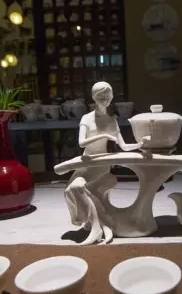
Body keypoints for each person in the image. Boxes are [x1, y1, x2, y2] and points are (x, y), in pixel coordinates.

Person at [64, 81, 150, 242]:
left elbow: (124, 146)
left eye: (107, 96)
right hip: (86, 163)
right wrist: (104, 136)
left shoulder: (112, 121)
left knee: (77, 188)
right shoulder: (87, 118)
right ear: (94, 97)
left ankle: (95, 226)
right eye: (101, 96)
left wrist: (140, 144)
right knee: (69, 191)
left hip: (101, 165)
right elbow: (81, 143)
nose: (105, 99)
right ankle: (90, 222)